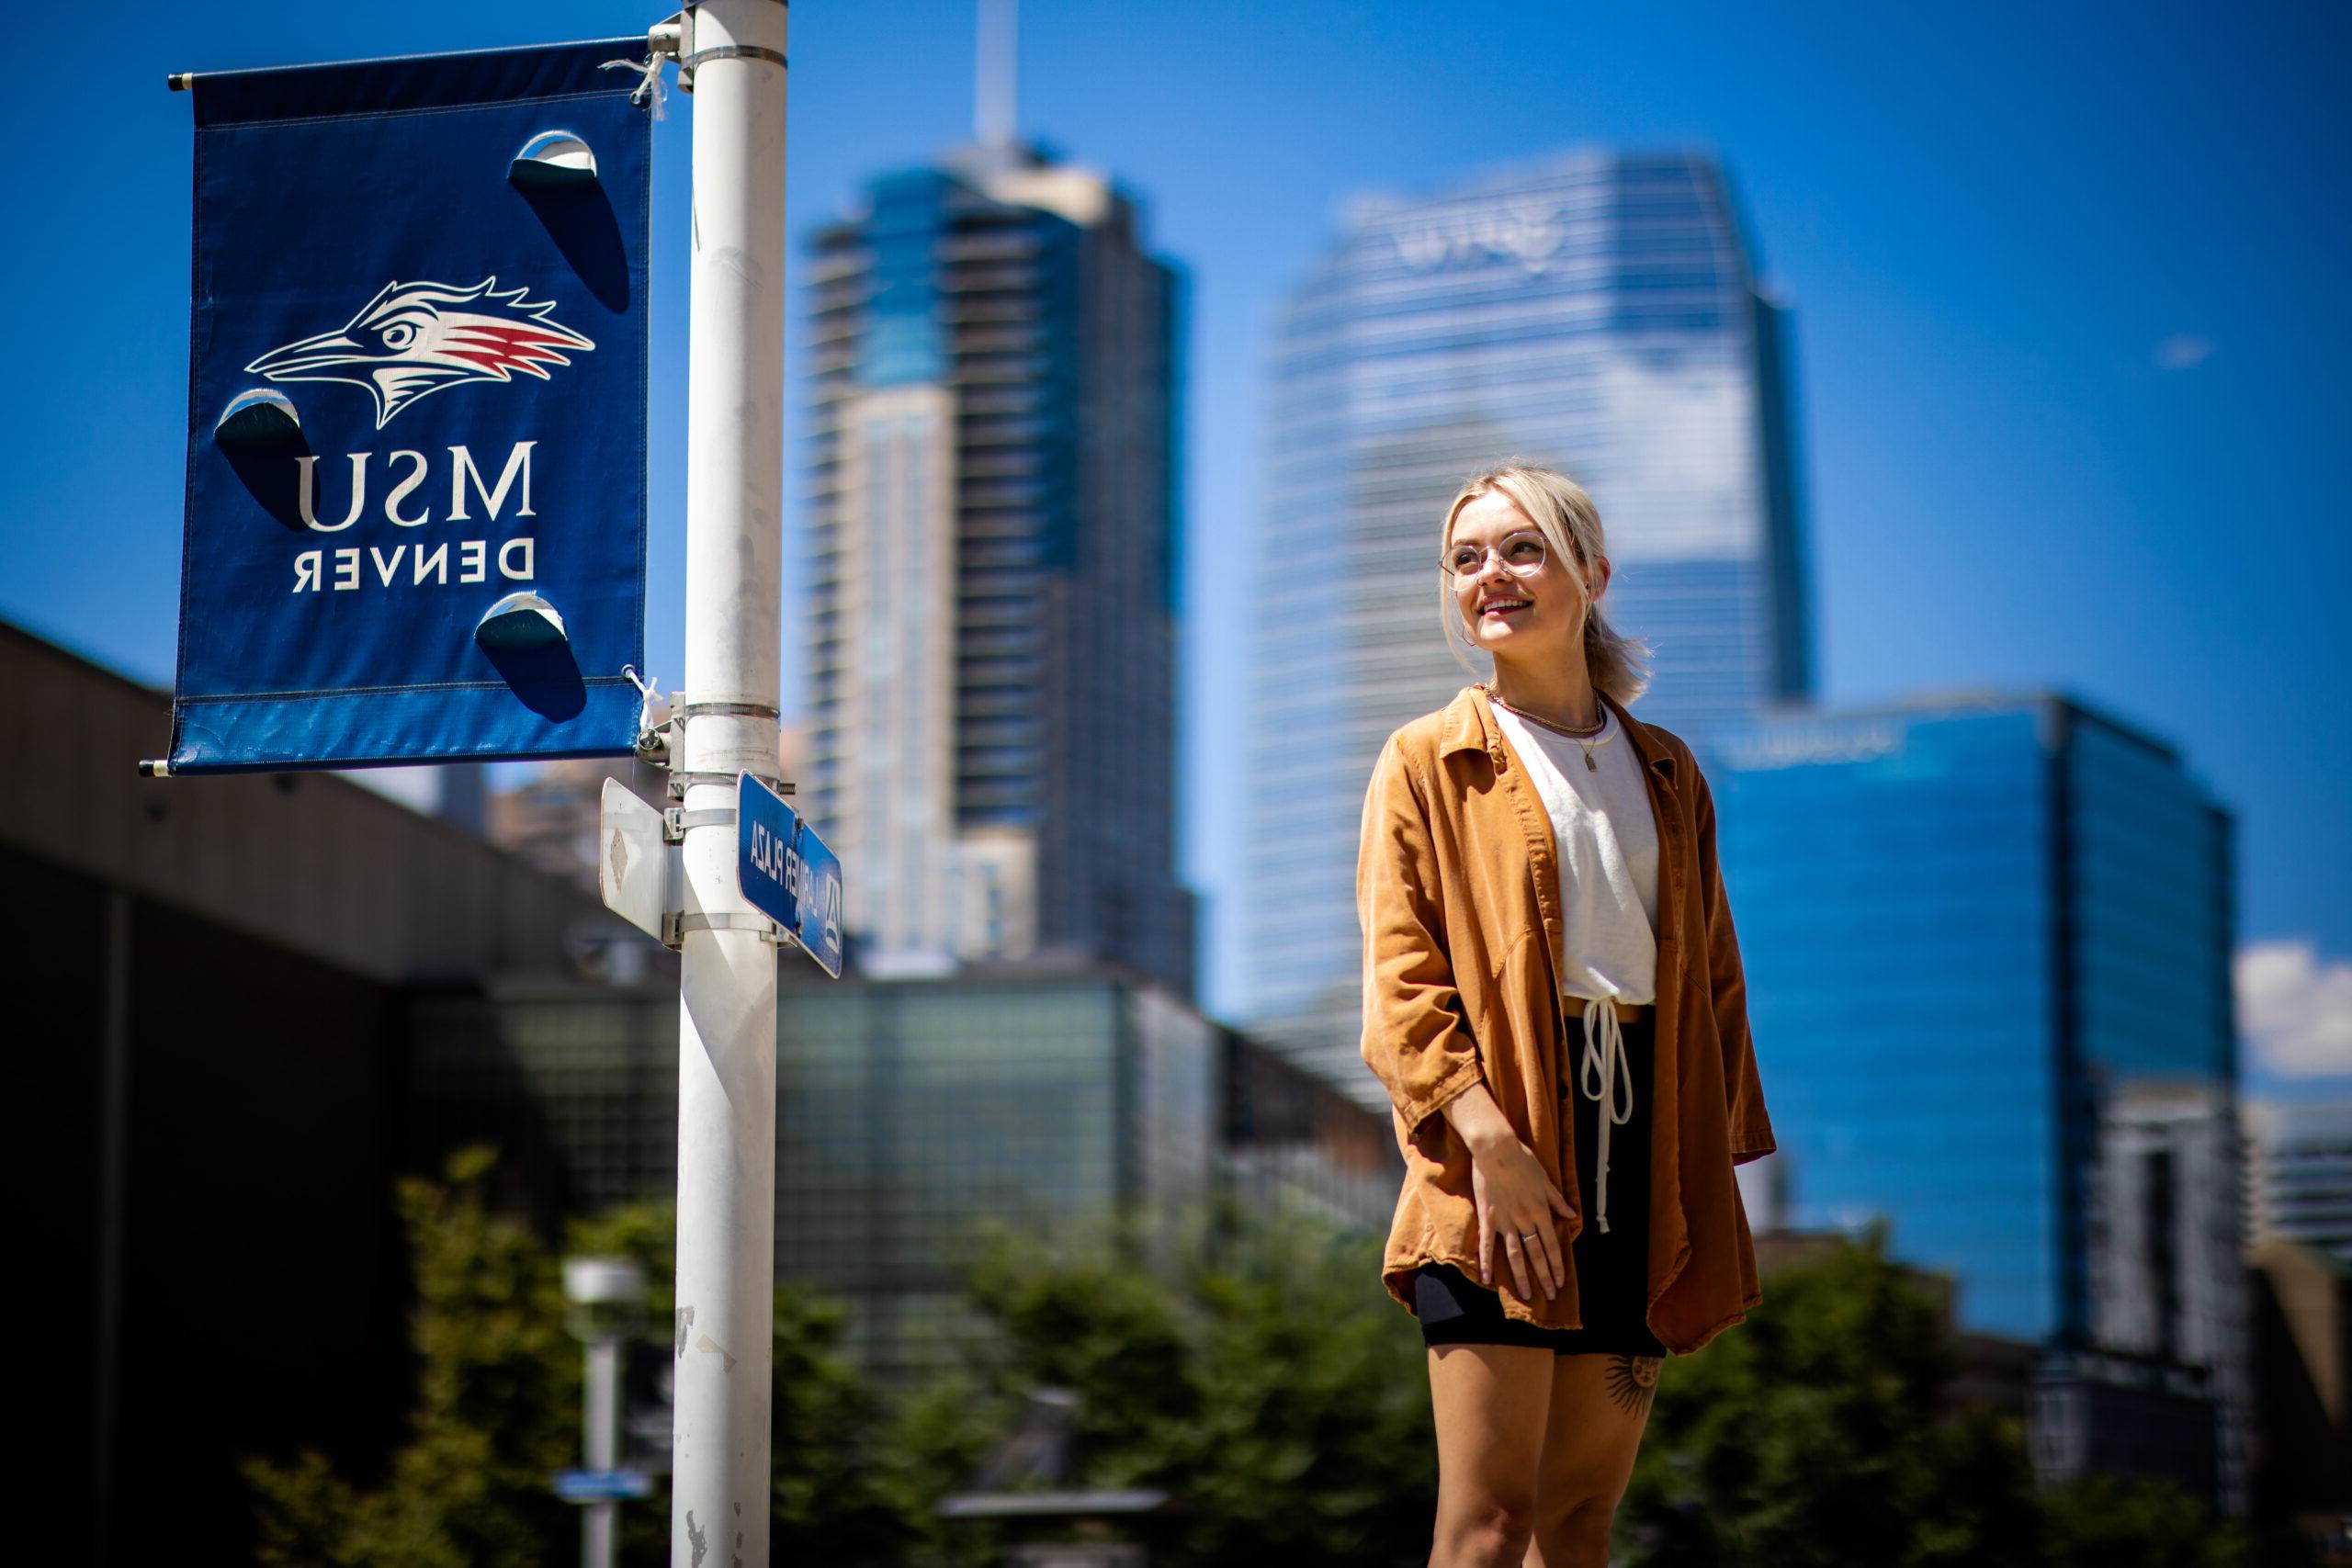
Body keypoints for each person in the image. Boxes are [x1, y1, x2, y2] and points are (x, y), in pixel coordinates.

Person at [1357, 464, 1777, 1567]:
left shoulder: (1668, 769)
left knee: (1578, 1524)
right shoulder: (1425, 760)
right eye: (1466, 558)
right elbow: (1401, 982)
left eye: (1520, 548)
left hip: (1635, 1159)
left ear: (1590, 573)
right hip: (1495, 1152)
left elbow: (1714, 981)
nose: (1489, 576)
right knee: (1486, 1526)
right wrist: (1487, 1143)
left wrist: (1699, 1170)